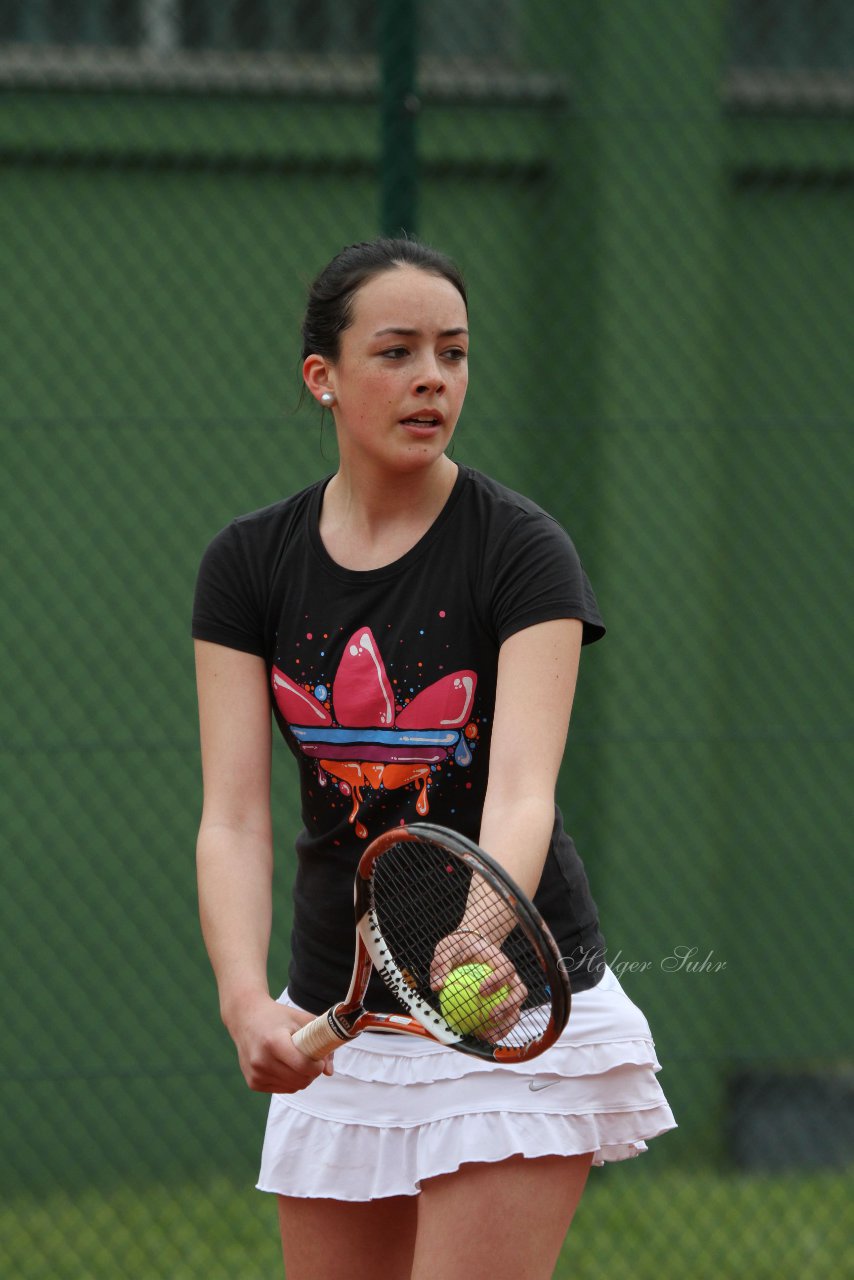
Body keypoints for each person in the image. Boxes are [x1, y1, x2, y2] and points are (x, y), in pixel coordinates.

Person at [192, 237, 675, 1279]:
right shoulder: (247, 564)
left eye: (452, 354)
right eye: (397, 351)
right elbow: (231, 815)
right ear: (321, 376)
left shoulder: (519, 548)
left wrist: (471, 935)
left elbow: (523, 785)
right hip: (342, 1003)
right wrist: (244, 999)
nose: (430, 378)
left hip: (506, 1002)